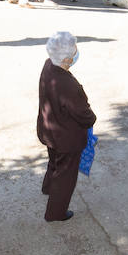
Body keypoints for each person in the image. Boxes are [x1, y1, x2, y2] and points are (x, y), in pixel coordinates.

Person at [37, 32, 96, 222]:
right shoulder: (68, 84)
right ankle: (55, 213)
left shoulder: (48, 66)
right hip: (67, 138)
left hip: (49, 130)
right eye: (75, 49)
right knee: (66, 175)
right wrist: (92, 119)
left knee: (54, 161)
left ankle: (48, 187)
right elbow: (83, 114)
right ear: (68, 59)